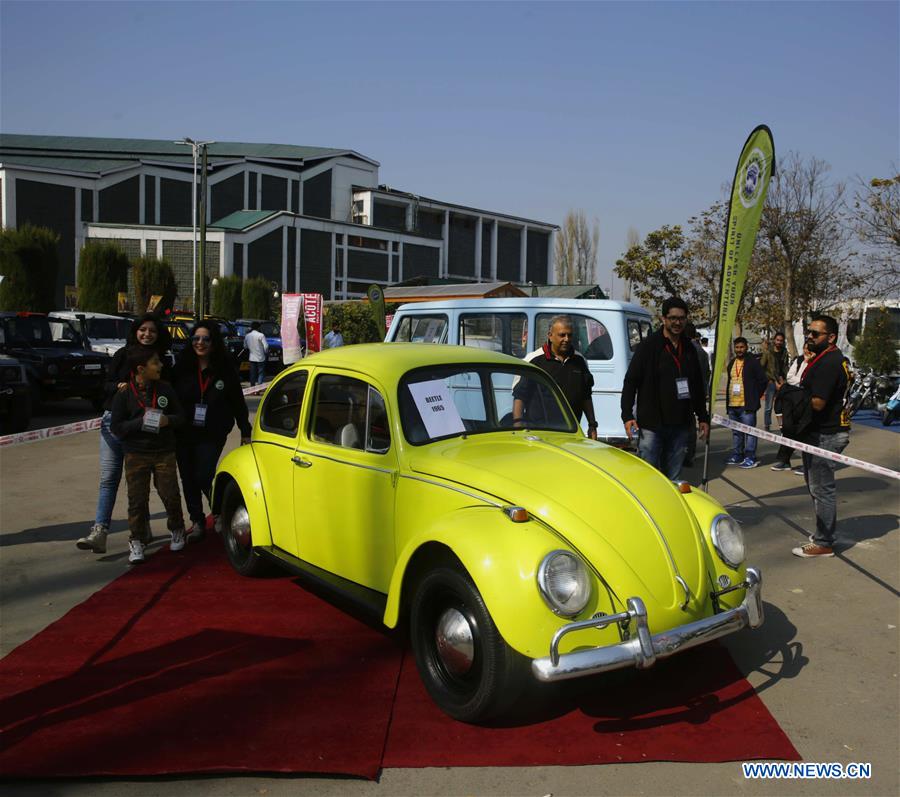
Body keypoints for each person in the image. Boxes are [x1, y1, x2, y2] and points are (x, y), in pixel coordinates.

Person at [76, 314, 173, 554]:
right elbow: (104, 386)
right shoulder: (122, 356)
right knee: (109, 478)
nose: (147, 334)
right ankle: (100, 531)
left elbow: (169, 394)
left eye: (152, 330)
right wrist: (118, 387)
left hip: (145, 428)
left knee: (139, 482)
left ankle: (142, 529)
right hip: (114, 423)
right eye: (142, 330)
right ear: (135, 332)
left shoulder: (164, 360)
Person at [173, 321, 252, 543]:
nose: (200, 343)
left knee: (204, 474)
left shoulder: (225, 369)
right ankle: (197, 521)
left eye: (205, 339)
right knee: (188, 478)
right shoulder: (181, 367)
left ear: (214, 342)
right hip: (184, 432)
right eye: (196, 338)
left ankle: (218, 513)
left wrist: (245, 429)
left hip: (213, 432)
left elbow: (237, 401)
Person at [110, 346, 187, 564]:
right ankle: (136, 539)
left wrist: (168, 421)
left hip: (164, 451)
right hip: (136, 453)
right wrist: (138, 423)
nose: (161, 366)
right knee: (137, 500)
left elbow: (181, 416)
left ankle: (177, 528)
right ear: (140, 369)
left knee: (170, 493)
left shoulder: (165, 389)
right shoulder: (124, 394)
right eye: (156, 363)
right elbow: (116, 427)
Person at [621, 297, 709, 480]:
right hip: (652, 425)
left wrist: (703, 417)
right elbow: (631, 381)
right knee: (649, 476)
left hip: (680, 425)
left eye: (682, 318)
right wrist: (627, 415)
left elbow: (697, 386)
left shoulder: (690, 349)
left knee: (674, 478)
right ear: (663, 319)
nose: (677, 322)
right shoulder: (648, 346)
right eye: (673, 318)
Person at [792, 314, 852, 559]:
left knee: (821, 489)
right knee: (816, 487)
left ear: (831, 337)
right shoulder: (825, 358)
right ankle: (823, 532)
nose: (810, 337)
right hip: (819, 432)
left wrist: (792, 398)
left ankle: (824, 542)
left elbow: (817, 403)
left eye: (815, 334)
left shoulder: (830, 363)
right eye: (809, 332)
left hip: (826, 435)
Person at [512, 315, 598, 439]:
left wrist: (592, 425)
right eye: (562, 335)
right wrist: (518, 425)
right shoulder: (534, 360)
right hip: (539, 434)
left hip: (571, 433)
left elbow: (586, 396)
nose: (567, 339)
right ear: (550, 335)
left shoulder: (579, 361)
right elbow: (520, 395)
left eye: (570, 335)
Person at [724, 337, 768, 469]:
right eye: (737, 347)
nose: (739, 350)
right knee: (736, 432)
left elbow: (763, 381)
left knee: (749, 432)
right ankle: (738, 454)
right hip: (733, 405)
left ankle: (750, 457)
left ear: (746, 347)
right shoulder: (732, 363)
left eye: (741, 347)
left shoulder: (753, 363)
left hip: (747, 405)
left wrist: (755, 396)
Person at [771, 342, 814, 473]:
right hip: (792, 398)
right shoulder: (799, 359)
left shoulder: (817, 362)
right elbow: (790, 378)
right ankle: (784, 460)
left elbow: (806, 381)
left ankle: (807, 465)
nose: (806, 351)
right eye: (805, 348)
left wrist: (806, 365)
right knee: (788, 428)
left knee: (804, 431)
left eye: (809, 349)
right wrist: (800, 378)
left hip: (806, 400)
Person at [683, 323, 710, 467]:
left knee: (685, 423)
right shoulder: (702, 352)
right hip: (698, 391)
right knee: (691, 423)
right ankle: (690, 453)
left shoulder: (687, 349)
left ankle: (685, 453)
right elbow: (707, 372)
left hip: (685, 391)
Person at [760, 332, 789, 431]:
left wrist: (784, 379)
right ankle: (767, 425)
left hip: (782, 380)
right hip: (771, 381)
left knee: (782, 405)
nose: (779, 342)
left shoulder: (784, 352)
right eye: (777, 340)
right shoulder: (768, 352)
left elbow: (785, 366)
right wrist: (769, 380)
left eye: (781, 340)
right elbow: (762, 367)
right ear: (774, 340)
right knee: (769, 405)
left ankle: (783, 425)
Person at [243, 321, 269, 386]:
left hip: (252, 357)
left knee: (252, 373)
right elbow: (266, 346)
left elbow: (245, 346)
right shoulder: (261, 335)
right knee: (261, 373)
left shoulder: (247, 336)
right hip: (261, 357)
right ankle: (259, 388)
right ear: (258, 327)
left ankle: (252, 387)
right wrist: (265, 352)